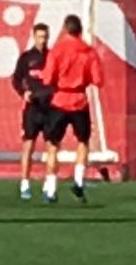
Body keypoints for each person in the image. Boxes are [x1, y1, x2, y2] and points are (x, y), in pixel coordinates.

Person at [39, 14, 102, 203]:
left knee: (52, 145)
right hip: (80, 100)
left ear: (65, 29)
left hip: (59, 100)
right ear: (80, 30)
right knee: (83, 142)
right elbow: (98, 80)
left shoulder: (57, 50)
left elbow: (48, 79)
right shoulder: (88, 52)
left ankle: (50, 188)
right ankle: (79, 180)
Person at [10, 23, 53, 201]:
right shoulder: (26, 58)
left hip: (50, 108)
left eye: (45, 37)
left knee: (52, 147)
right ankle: (25, 184)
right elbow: (16, 79)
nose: (42, 40)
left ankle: (49, 187)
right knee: (28, 145)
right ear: (34, 37)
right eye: (39, 37)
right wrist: (23, 93)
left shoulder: (53, 57)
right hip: (33, 108)